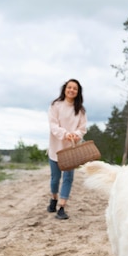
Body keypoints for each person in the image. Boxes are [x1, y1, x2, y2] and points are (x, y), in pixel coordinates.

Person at [47, 79, 88, 220]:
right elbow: (53, 125)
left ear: (78, 92)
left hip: (71, 150)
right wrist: (65, 134)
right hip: (55, 149)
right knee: (55, 179)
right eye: (69, 87)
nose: (72, 90)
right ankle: (54, 198)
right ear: (65, 89)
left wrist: (75, 135)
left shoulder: (81, 111)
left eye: (75, 88)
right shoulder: (55, 105)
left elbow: (82, 129)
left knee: (68, 178)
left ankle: (62, 207)